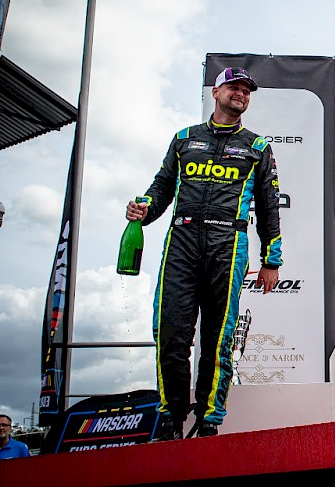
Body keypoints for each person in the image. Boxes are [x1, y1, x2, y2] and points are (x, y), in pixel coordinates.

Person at [126, 66, 283, 440]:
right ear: (216, 92)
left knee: (219, 338)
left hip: (228, 245)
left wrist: (271, 260)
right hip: (181, 241)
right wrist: (144, 208)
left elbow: (269, 206)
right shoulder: (184, 139)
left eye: (246, 90)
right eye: (233, 87)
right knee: (171, 333)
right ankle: (170, 418)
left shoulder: (258, 147)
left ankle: (210, 420)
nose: (240, 94)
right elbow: (162, 187)